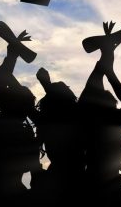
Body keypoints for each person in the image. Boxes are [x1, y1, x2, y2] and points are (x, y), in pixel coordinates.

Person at [0, 30, 42, 207]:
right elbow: (3, 81)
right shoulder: (27, 134)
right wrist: (13, 53)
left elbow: (1, 81)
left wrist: (12, 53)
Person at [78, 21, 121, 207]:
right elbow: (101, 74)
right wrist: (108, 47)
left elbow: (100, 73)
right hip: (98, 189)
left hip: (111, 185)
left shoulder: (111, 121)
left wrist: (107, 48)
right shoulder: (112, 121)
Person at [32, 68, 85, 206]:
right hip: (73, 178)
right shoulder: (72, 119)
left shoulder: (70, 119)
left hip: (67, 179)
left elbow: (60, 109)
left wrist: (46, 84)